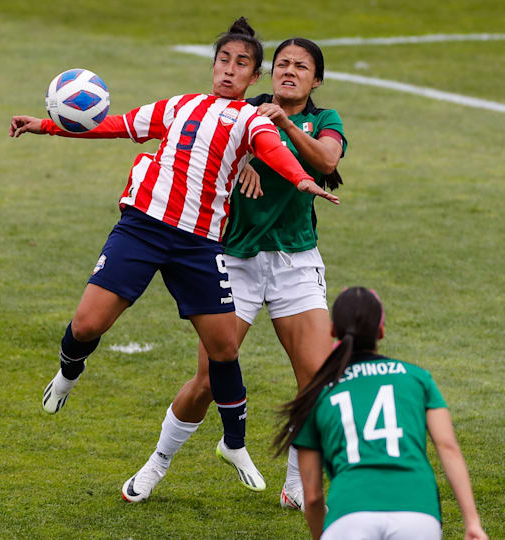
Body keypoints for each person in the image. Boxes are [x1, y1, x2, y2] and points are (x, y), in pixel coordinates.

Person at [9, 17, 338, 497]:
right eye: (224, 60)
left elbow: (297, 152)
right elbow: (119, 126)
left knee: (281, 369)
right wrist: (47, 125)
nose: (230, 70)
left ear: (256, 76)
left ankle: (279, 470)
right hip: (190, 242)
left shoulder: (278, 121)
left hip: (246, 254)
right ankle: (128, 436)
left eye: (242, 63)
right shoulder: (193, 107)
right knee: (107, 334)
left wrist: (298, 175)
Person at [122, 37, 346, 506]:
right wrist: (247, 155)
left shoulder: (323, 121)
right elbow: (210, 144)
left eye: (301, 67)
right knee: (208, 379)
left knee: (316, 379)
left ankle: (294, 486)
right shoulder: (242, 113)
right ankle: (155, 465)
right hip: (235, 260)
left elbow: (326, 162)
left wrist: (283, 126)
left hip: (295, 262)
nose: (289, 71)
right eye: (282, 63)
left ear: (316, 80)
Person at [274, 287, 488, 540]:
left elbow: (312, 497)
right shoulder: (417, 378)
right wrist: (472, 522)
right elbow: (448, 447)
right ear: (381, 331)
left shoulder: (317, 394)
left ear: (333, 332)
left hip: (349, 515)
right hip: (418, 513)